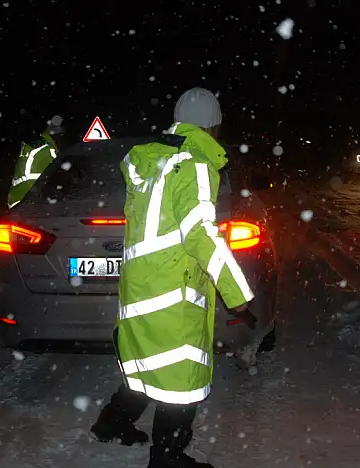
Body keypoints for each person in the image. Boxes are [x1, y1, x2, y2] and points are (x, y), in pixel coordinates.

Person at [89, 87, 256, 468]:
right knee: (181, 381)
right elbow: (199, 234)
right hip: (172, 292)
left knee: (148, 363)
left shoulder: (152, 160)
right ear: (212, 127)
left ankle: (111, 423)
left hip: (139, 287)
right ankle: (168, 458)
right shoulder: (194, 164)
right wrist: (236, 293)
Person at [6, 116, 65, 208]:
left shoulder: (38, 147)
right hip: (27, 200)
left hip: (19, 199)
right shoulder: (47, 151)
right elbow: (51, 177)